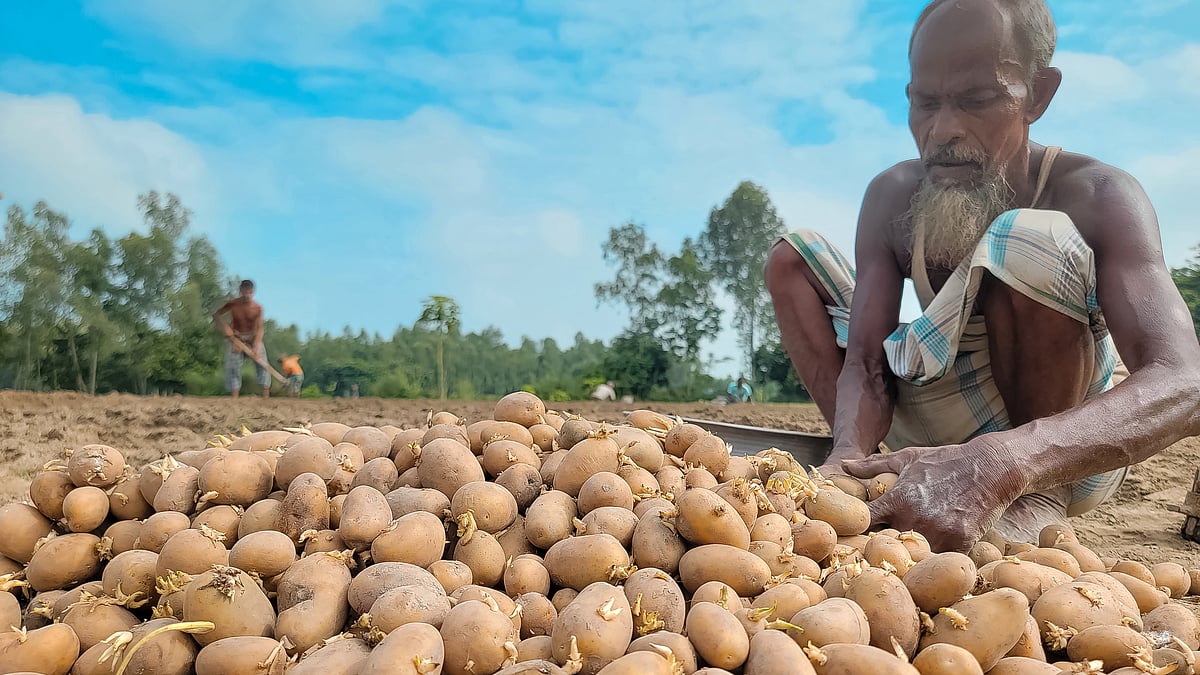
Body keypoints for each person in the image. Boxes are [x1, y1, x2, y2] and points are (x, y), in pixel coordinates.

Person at [764, 0, 1200, 553]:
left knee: (1026, 236)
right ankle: (867, 468)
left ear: (1037, 95)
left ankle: (1034, 503)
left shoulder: (1098, 194)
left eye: (977, 100)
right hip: (927, 418)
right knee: (792, 257)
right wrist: (847, 462)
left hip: (1056, 456)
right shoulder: (893, 195)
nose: (943, 131)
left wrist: (1000, 462)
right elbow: (867, 363)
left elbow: (1185, 382)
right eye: (925, 104)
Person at [212, 279, 271, 399]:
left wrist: (256, 345)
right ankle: (235, 396)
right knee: (233, 366)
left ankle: (266, 395)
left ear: (253, 292)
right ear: (241, 290)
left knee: (263, 364)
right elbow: (216, 315)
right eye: (245, 290)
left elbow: (260, 329)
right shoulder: (233, 304)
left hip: (253, 338)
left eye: (249, 291)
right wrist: (226, 328)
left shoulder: (258, 308)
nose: (247, 294)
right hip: (237, 338)